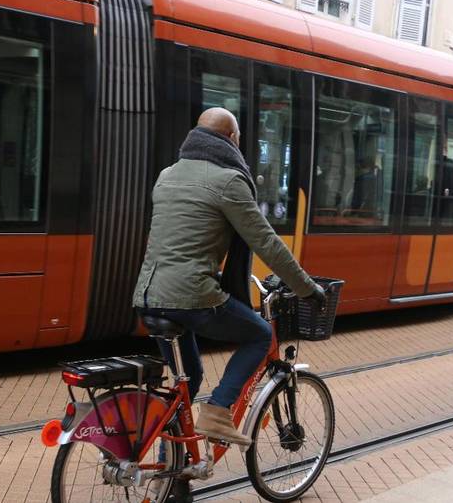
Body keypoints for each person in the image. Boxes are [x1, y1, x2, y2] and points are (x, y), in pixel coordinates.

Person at [133, 107, 324, 447]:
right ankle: (218, 411)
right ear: (232, 140)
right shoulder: (228, 181)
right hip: (190, 296)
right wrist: (306, 288)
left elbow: (184, 237)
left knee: (187, 381)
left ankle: (171, 469)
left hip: (149, 296)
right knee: (260, 334)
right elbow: (266, 242)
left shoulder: (168, 174)